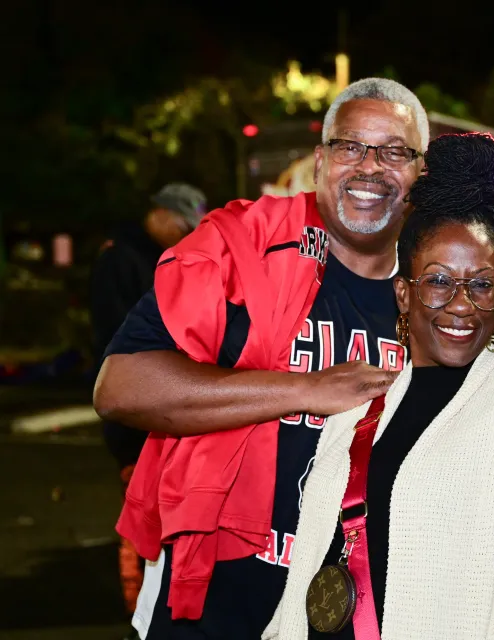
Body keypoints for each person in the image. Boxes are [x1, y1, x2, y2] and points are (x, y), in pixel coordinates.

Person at [93, 78, 428, 639]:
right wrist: (303, 388)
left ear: (420, 173)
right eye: (350, 146)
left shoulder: (437, 286)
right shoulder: (245, 245)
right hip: (212, 601)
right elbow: (121, 386)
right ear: (320, 161)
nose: (370, 167)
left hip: (357, 609)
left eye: (395, 151)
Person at [264, 134, 494, 640]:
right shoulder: (357, 410)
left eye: (481, 284)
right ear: (404, 292)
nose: (462, 304)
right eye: (440, 281)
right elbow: (308, 570)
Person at [89, 182, 206, 621]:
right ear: (158, 214)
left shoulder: (159, 257)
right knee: (142, 523)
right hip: (136, 414)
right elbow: (116, 344)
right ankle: (138, 614)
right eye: (180, 225)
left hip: (164, 403)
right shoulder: (122, 258)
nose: (183, 235)